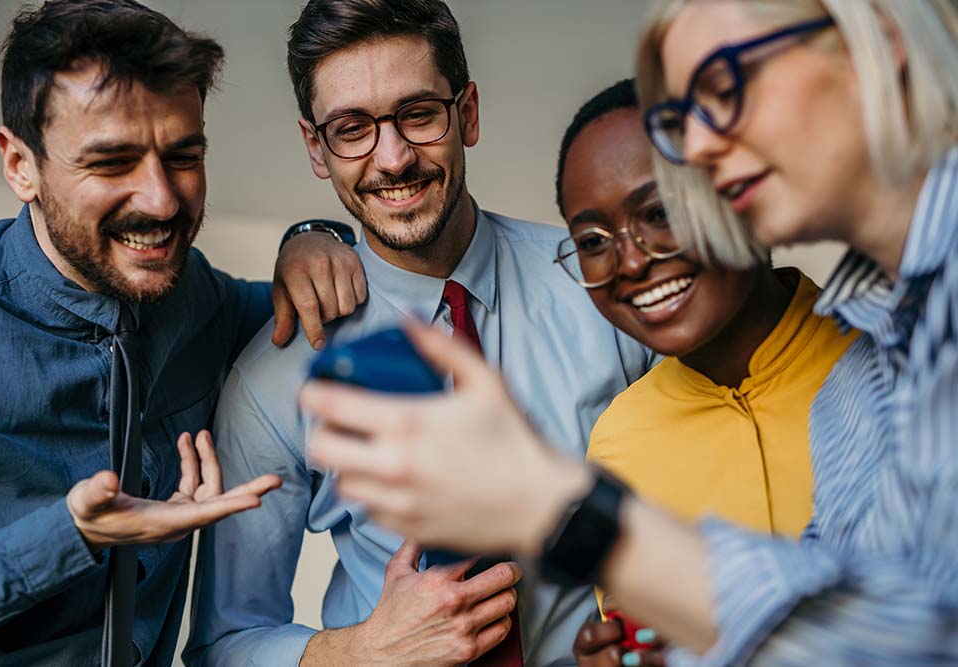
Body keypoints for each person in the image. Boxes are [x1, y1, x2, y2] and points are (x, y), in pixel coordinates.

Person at [301, 1, 958, 665]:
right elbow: (886, 628)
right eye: (685, 114)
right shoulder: (869, 377)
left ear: (882, 35)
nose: (696, 147)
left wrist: (556, 505)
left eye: (726, 85)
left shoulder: (859, 355)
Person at [184, 1, 654, 665]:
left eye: (418, 113)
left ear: (467, 114)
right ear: (317, 148)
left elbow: (708, 495)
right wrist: (361, 652)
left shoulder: (602, 288)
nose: (394, 157)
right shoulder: (274, 375)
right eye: (352, 129)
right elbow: (221, 643)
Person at [0, 0, 364, 663]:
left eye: (183, 155)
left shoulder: (194, 297)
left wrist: (312, 237)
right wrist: (72, 534)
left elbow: (306, 302)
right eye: (113, 161)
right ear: (19, 164)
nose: (162, 199)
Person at [552, 79, 854, 666]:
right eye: (592, 239)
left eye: (660, 211)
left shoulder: (891, 365)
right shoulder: (619, 441)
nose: (632, 260)